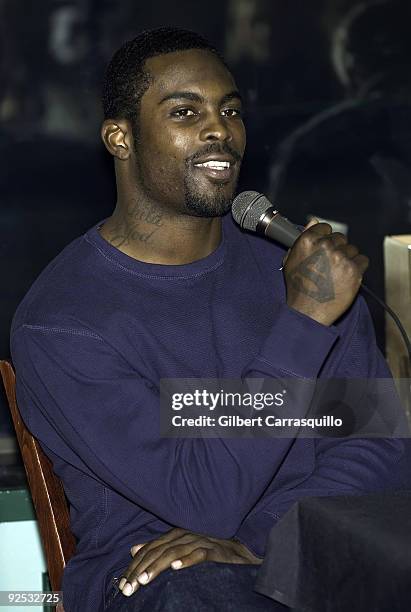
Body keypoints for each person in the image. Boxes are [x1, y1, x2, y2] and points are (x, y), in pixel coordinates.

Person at [10, 27, 409, 611]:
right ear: (121, 138)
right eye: (184, 111)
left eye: (231, 111)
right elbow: (201, 499)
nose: (219, 129)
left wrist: (270, 540)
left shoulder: (300, 271)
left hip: (311, 552)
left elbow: (378, 445)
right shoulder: (65, 321)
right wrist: (302, 322)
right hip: (165, 577)